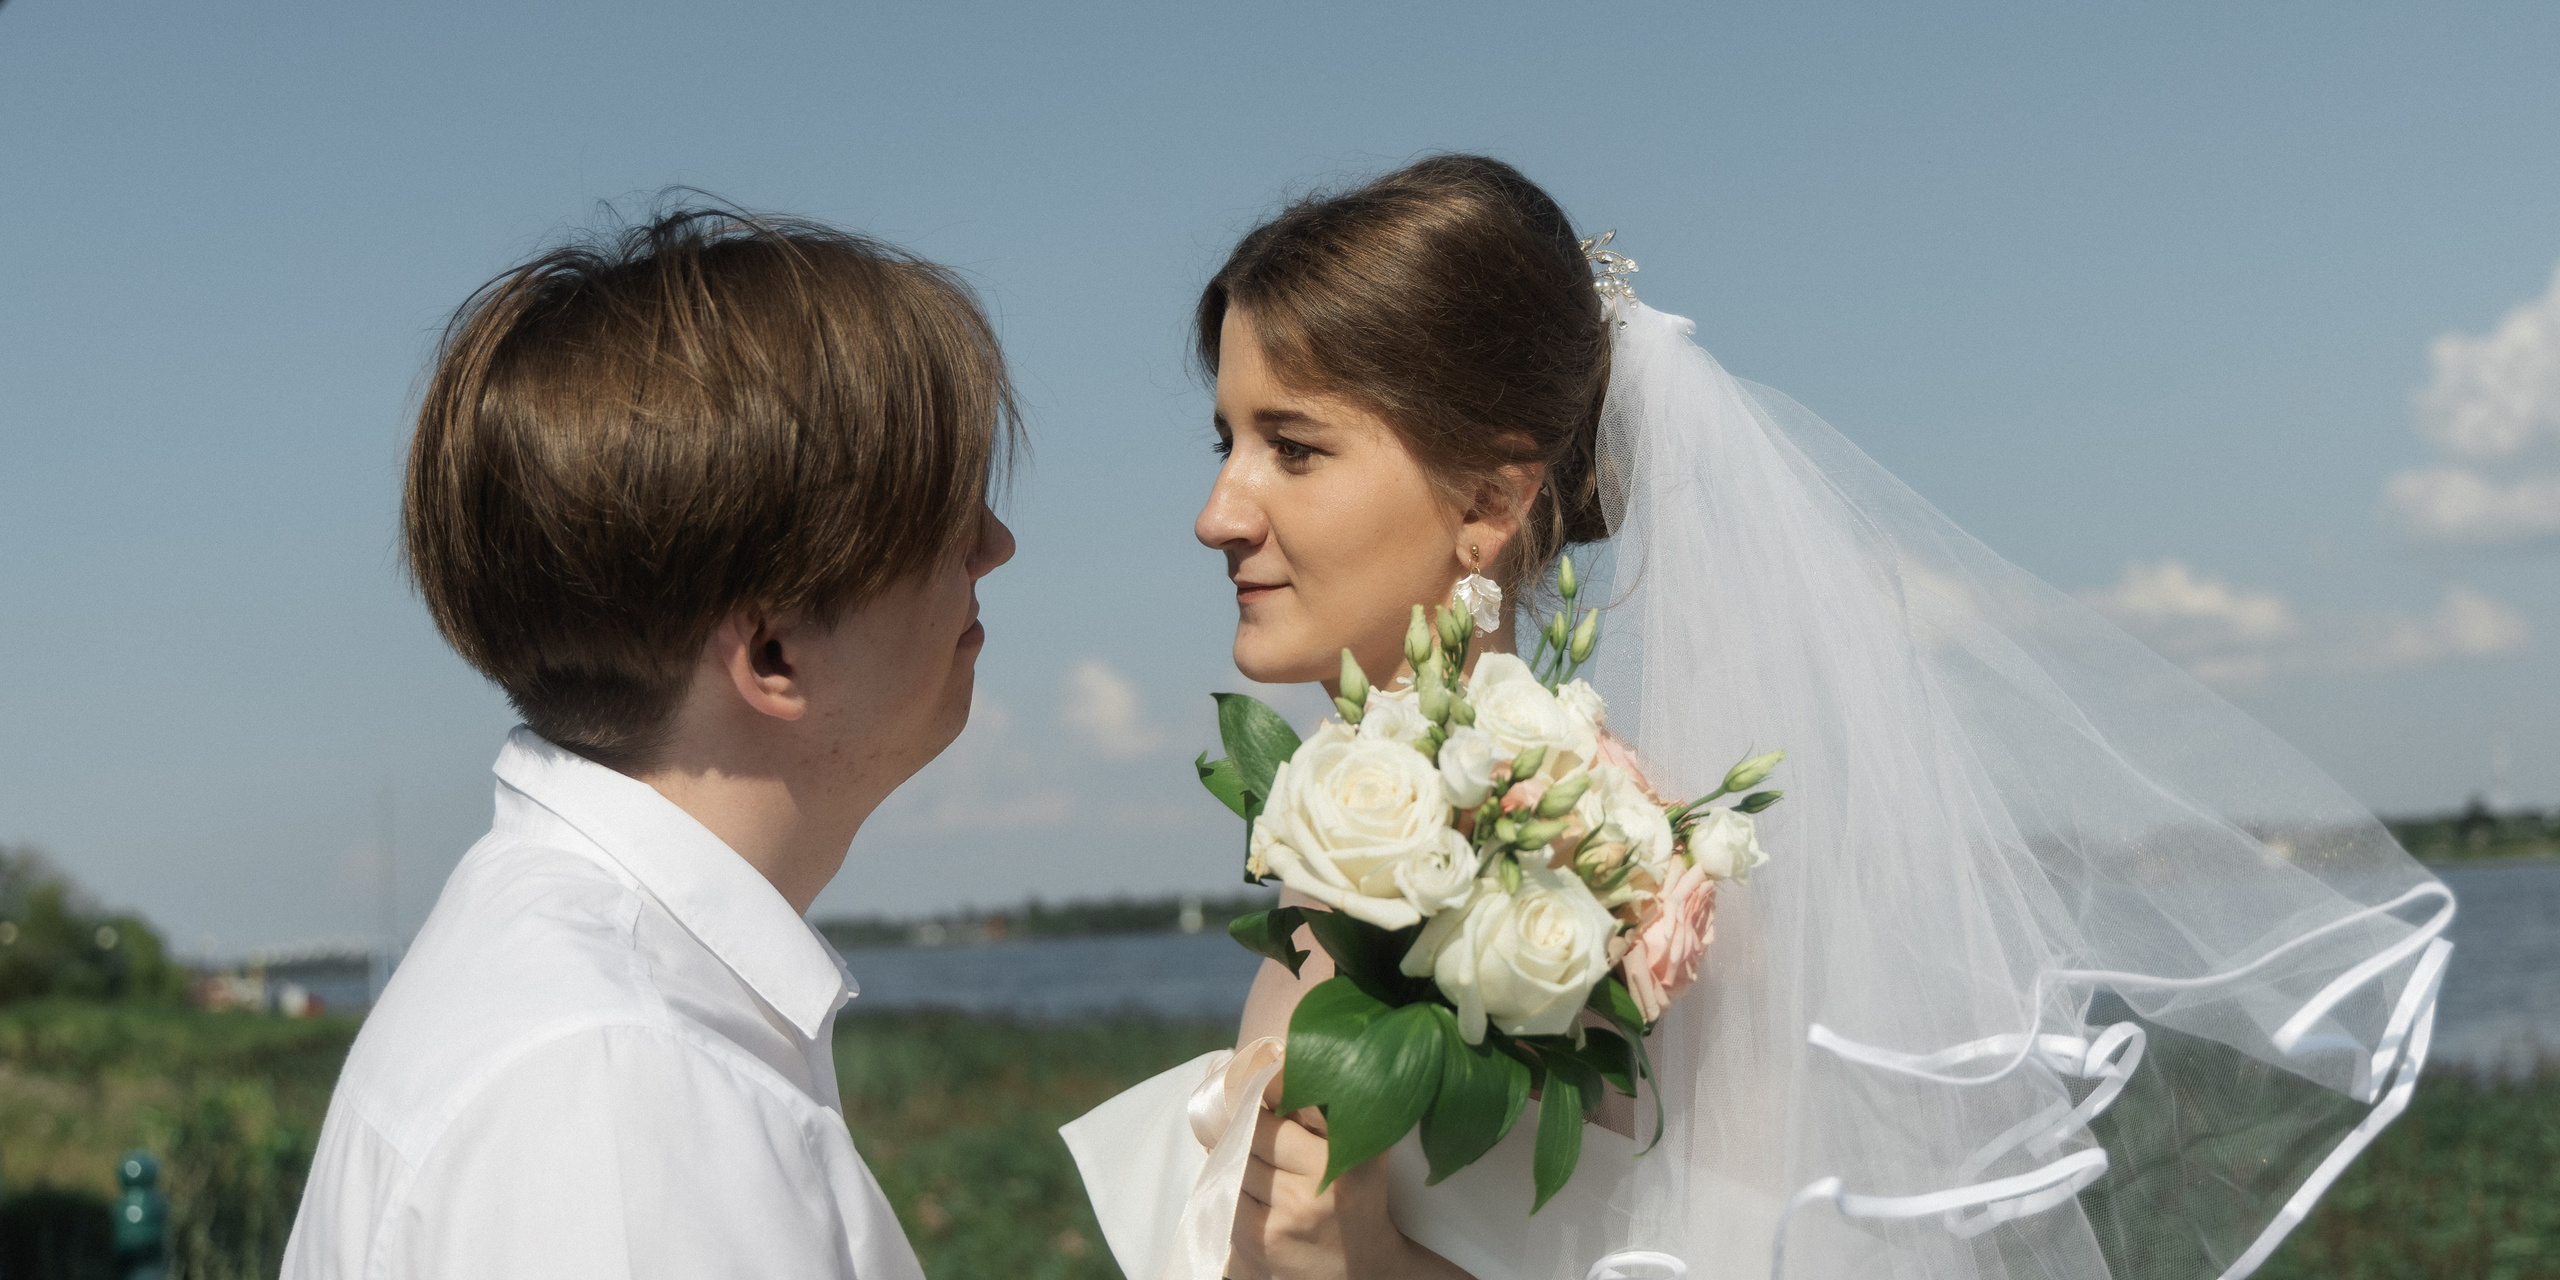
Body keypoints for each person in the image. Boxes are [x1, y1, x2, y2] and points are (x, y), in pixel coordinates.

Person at [1066, 156, 2454, 1280]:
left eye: (1292, 448)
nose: (1219, 512)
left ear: (1488, 506)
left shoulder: (1612, 888)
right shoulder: (1344, 838)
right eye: (1225, 442)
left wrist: (1363, 1268)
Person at [283, 207, 1017, 1280]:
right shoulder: (623, 1092)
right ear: (772, 651)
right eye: (942, 517)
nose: (995, 545)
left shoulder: (586, 1006)